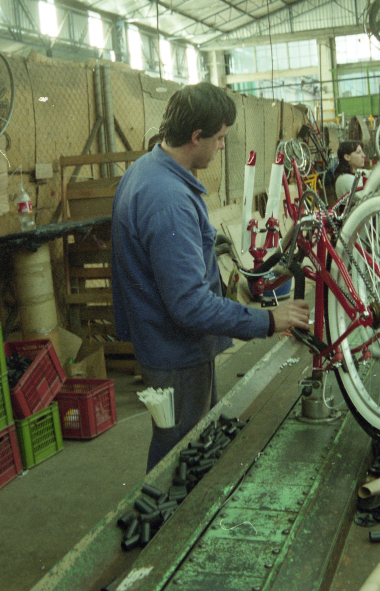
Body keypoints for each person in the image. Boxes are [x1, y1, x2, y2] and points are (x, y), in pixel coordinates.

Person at [111, 82, 310, 473]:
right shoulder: (168, 199)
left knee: (184, 442)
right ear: (196, 136)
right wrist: (268, 320)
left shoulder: (146, 170)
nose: (221, 146)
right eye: (219, 138)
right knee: (182, 456)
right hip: (176, 353)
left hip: (160, 345)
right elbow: (189, 305)